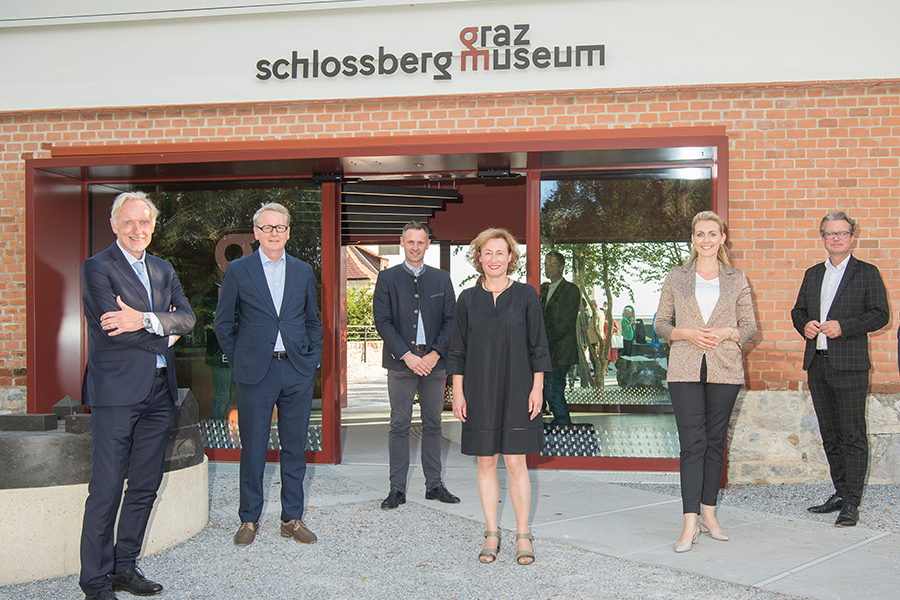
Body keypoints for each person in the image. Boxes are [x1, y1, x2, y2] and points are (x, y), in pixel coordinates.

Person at [79, 191, 196, 600]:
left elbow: (189, 316)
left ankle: (123, 568)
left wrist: (146, 318)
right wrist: (166, 332)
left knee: (145, 485)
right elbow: (113, 327)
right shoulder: (97, 268)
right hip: (116, 394)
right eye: (128, 222)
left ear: (152, 226)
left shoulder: (163, 268)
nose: (137, 230)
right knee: (107, 488)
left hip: (159, 393)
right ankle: (94, 583)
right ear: (114, 225)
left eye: (144, 222)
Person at [214, 202, 323, 546]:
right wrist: (238, 360)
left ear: (288, 232)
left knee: (294, 447)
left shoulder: (304, 271)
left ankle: (292, 518)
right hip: (255, 372)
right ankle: (249, 519)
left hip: (296, 370)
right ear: (257, 233)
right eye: (267, 228)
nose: (274, 233)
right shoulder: (238, 270)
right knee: (254, 448)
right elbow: (222, 323)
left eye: (280, 227)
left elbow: (311, 321)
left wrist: (311, 359)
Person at [654, 211, 757, 553]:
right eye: (700, 234)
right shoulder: (676, 276)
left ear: (722, 238)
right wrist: (687, 333)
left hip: (724, 368)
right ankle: (689, 522)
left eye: (713, 234)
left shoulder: (737, 278)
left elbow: (750, 327)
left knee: (715, 443)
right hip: (684, 368)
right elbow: (660, 324)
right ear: (693, 239)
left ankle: (709, 515)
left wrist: (727, 332)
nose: (707, 240)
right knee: (691, 445)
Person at [449, 228, 551, 566]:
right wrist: (458, 393)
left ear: (511, 258)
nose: (494, 259)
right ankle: (492, 532)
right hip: (478, 390)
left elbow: (538, 346)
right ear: (479, 257)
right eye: (487, 253)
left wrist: (537, 388)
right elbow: (458, 351)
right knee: (486, 462)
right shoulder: (466, 299)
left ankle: (523, 535)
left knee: (516, 463)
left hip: (519, 388)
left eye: (500, 253)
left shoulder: (526, 295)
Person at [791, 211, 889, 527]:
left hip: (850, 366)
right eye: (830, 234)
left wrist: (843, 327)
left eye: (842, 233)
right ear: (823, 238)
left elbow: (880, 315)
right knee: (830, 435)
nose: (836, 238)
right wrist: (803, 324)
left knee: (853, 435)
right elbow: (798, 310)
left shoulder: (867, 273)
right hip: (817, 365)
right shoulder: (812, 274)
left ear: (851, 237)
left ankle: (852, 503)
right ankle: (840, 492)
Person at [372, 221, 459, 509]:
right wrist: (406, 355)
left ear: (427, 244)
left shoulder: (442, 279)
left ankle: (434, 485)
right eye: (410, 242)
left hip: (435, 364)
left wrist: (435, 353)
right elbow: (382, 321)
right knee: (399, 425)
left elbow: (451, 320)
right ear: (402, 242)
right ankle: (396, 489)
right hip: (400, 364)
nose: (415, 247)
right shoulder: (386, 278)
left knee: (433, 424)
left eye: (420, 242)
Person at [539, 250, 580, 425]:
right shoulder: (543, 289)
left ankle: (564, 425)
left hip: (561, 351)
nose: (548, 268)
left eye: (553, 264)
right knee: (544, 389)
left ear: (562, 267)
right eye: (546, 264)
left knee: (553, 390)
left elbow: (565, 322)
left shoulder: (570, 290)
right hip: (545, 350)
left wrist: (544, 337)